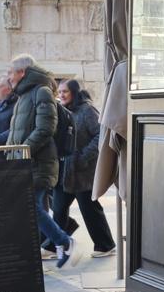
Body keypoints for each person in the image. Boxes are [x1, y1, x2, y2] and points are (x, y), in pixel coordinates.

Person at [6, 54, 78, 269]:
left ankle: (64, 241)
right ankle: (50, 247)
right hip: (24, 161)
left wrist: (22, 151)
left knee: (31, 207)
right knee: (33, 208)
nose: (8, 77)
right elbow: (17, 131)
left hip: (37, 162)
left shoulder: (41, 91)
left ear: (23, 72)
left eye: (11, 72)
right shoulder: (24, 96)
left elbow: (46, 128)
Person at [43, 79, 116, 257]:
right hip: (65, 171)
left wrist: (83, 157)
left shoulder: (87, 110)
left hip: (82, 172)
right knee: (59, 209)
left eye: (65, 92)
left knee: (90, 210)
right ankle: (54, 246)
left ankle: (105, 245)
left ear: (74, 92)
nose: (61, 95)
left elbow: (100, 135)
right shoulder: (62, 111)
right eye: (59, 92)